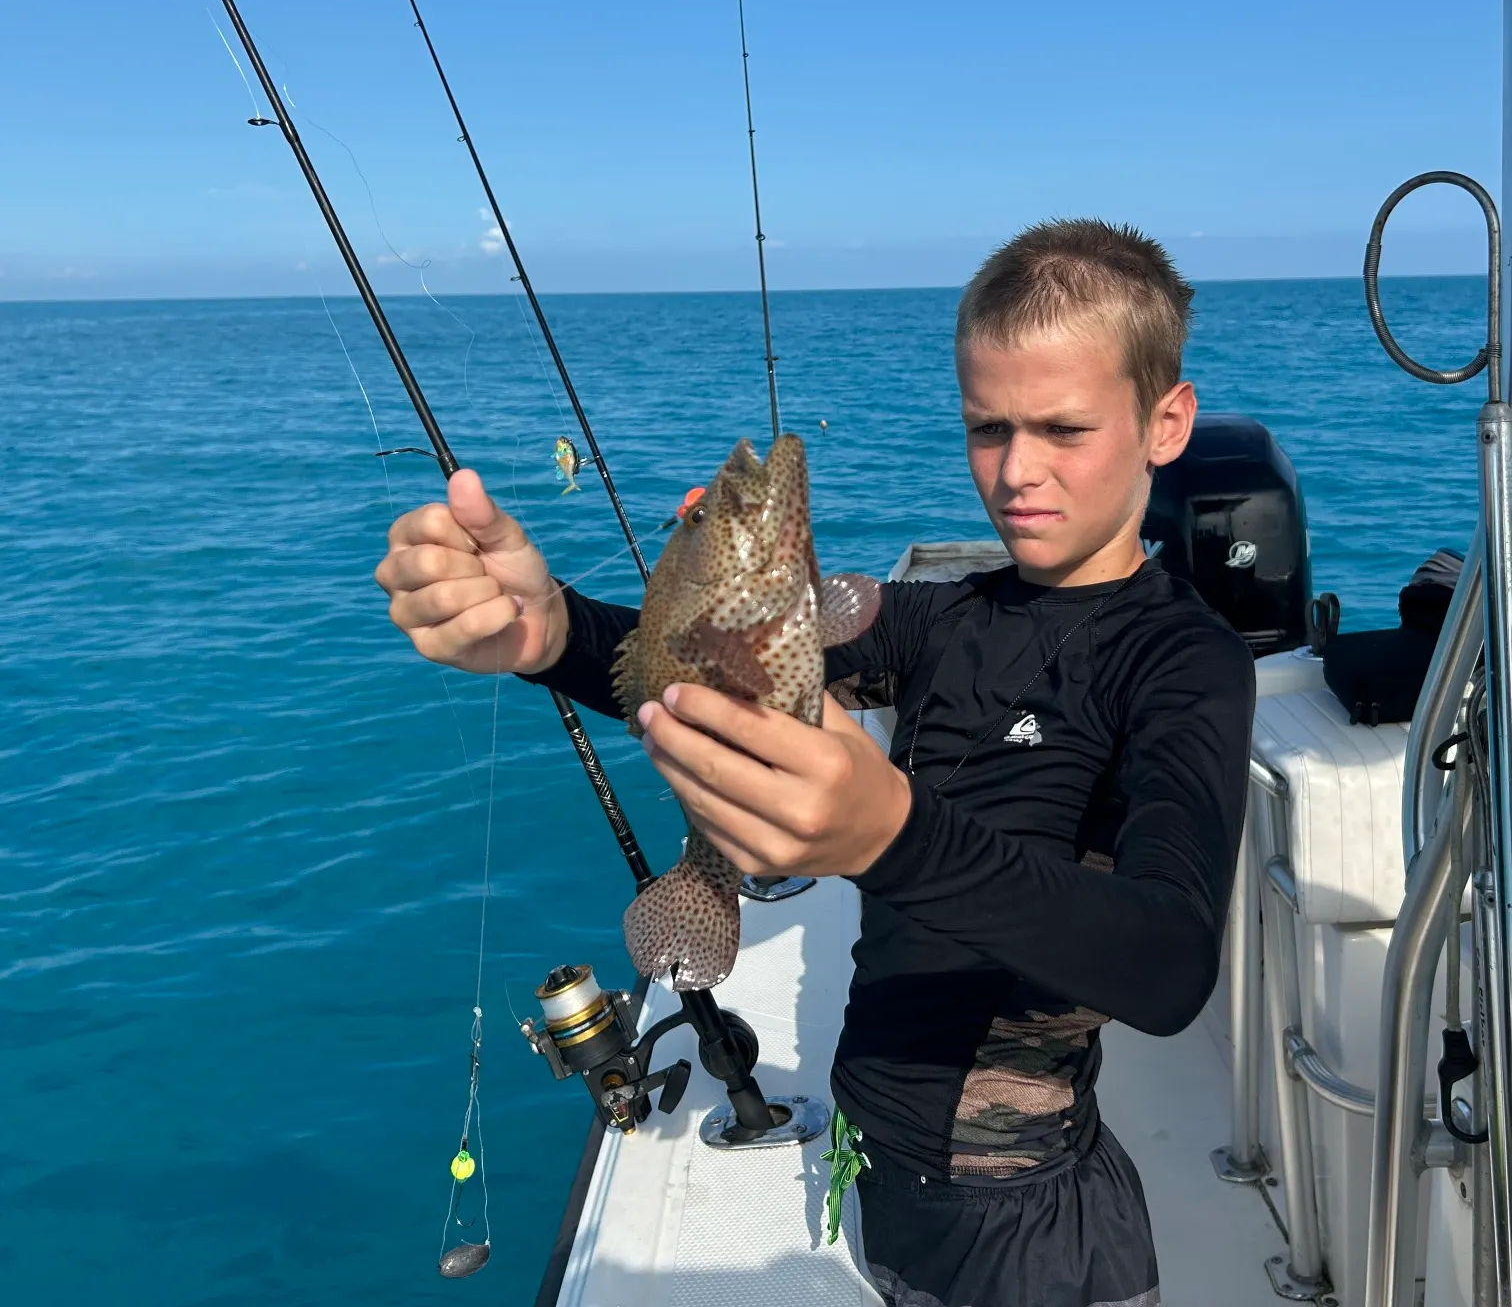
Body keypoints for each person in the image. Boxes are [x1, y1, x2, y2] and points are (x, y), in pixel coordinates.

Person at [374, 218, 1255, 1307]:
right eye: (988, 428)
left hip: (1031, 1224)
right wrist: (550, 632)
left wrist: (895, 837)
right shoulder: (944, 618)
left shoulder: (1183, 662)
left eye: (1063, 429)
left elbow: (1171, 965)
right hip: (881, 1178)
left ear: (1166, 423)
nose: (1018, 471)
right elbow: (722, 663)